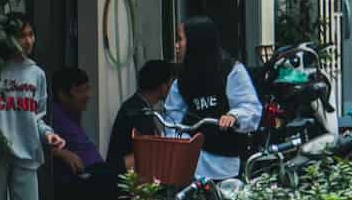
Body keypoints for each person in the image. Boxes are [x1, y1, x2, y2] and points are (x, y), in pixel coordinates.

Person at [0, 14, 64, 200]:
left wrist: (48, 135)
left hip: (27, 151)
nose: (28, 41)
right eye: (22, 35)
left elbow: (37, 117)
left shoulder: (36, 74)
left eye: (31, 34)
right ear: (9, 38)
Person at [166, 16, 262, 181]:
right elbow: (172, 119)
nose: (177, 45)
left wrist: (234, 116)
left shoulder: (231, 71)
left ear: (197, 41)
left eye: (180, 39)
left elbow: (250, 107)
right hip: (195, 162)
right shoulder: (181, 81)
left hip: (226, 162)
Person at [48, 67, 125, 200]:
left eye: (87, 89)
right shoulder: (52, 116)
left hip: (95, 174)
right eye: (80, 91)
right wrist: (60, 153)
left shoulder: (72, 115)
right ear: (63, 95)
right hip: (78, 183)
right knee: (136, 166)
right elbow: (33, 142)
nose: (87, 96)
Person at [109, 60, 176, 177]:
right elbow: (147, 154)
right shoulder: (138, 112)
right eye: (171, 83)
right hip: (124, 180)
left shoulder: (136, 105)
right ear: (163, 86)